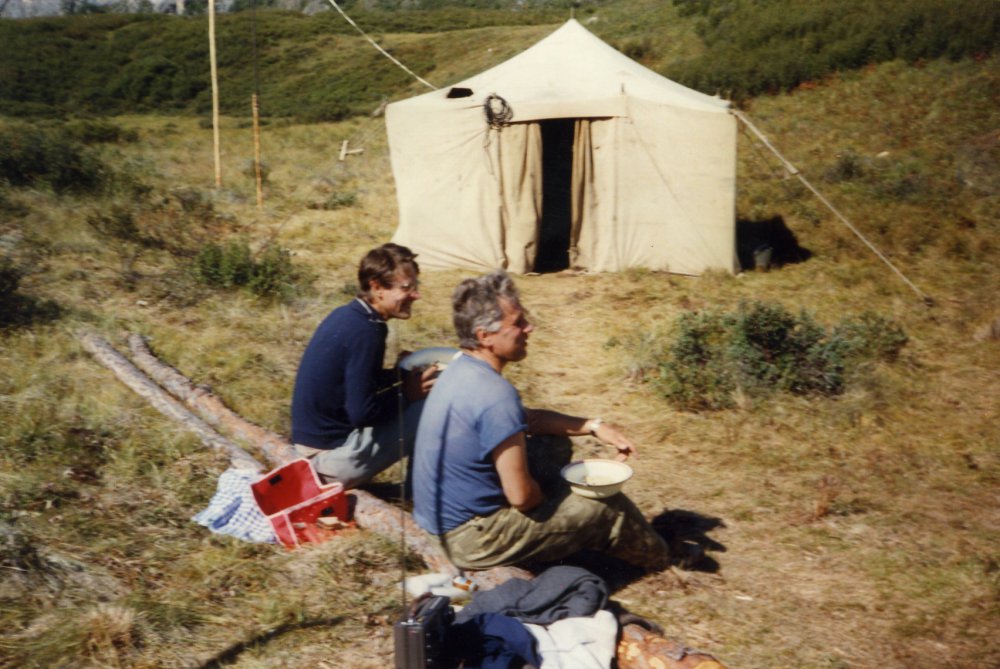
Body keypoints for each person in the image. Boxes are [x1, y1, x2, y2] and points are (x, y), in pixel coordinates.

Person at [412, 269, 686, 571]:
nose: (529, 328)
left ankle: (563, 519)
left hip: (439, 521)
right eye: (518, 323)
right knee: (606, 506)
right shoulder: (495, 395)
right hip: (470, 540)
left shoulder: (460, 369)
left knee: (554, 444)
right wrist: (552, 504)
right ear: (484, 336)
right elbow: (522, 498)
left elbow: (527, 420)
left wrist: (593, 426)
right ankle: (665, 558)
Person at [290, 243, 438, 489]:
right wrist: (406, 394)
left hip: (310, 450)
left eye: (416, 286)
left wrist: (399, 374)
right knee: (432, 402)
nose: (416, 295)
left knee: (426, 387)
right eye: (406, 288)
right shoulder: (367, 332)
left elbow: (356, 382)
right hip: (326, 463)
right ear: (377, 288)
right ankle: (421, 492)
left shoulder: (351, 315)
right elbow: (362, 412)